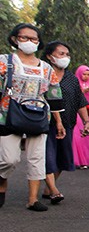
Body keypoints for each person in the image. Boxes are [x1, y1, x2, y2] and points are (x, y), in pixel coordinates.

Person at [0, 23, 63, 211]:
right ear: (14, 39)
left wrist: (59, 122)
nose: (29, 42)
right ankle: (2, 181)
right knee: (9, 159)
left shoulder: (46, 68)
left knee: (37, 158)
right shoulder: (5, 61)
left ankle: (33, 199)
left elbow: (54, 95)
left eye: (34, 39)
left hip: (38, 116)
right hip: (8, 115)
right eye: (24, 38)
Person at [41, 42, 89, 205]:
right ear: (50, 56)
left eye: (67, 54)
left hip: (68, 123)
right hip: (44, 123)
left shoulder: (71, 79)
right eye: (61, 54)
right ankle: (54, 190)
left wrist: (86, 122)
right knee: (48, 156)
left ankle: (49, 187)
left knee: (63, 158)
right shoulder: (42, 74)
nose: (65, 57)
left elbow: (80, 101)